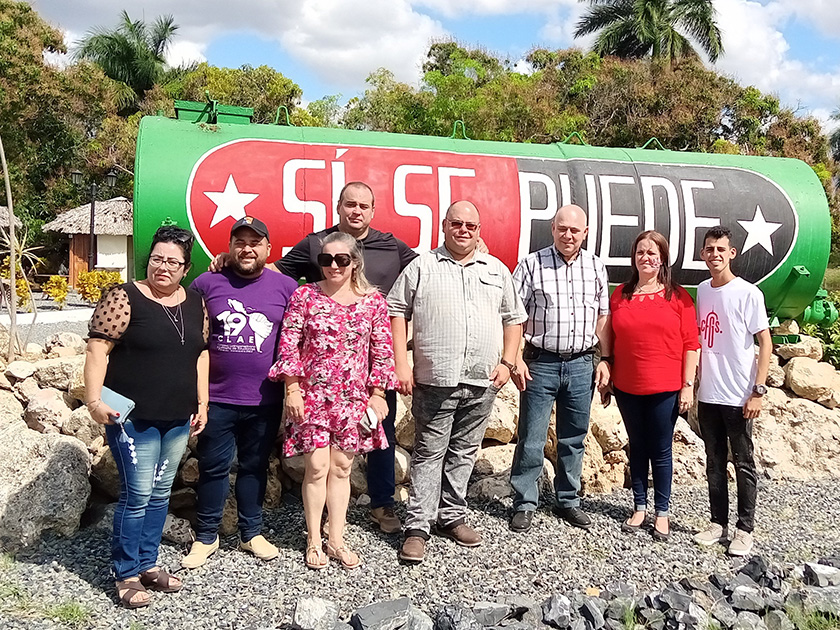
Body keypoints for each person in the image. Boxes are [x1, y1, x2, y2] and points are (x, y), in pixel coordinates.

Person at [213, 181, 416, 534]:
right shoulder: (313, 245)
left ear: (372, 210)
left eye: (363, 205)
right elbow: (271, 272)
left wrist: (479, 246)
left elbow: (426, 272)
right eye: (349, 204)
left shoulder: (392, 247)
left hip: (362, 385)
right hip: (316, 390)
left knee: (377, 442)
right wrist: (232, 259)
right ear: (338, 206)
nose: (356, 210)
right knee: (320, 466)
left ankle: (380, 506)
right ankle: (316, 534)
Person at [388, 200, 527, 563]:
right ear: (445, 226)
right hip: (435, 379)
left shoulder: (496, 270)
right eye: (457, 224)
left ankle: (451, 516)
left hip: (482, 379)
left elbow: (514, 318)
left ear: (479, 230)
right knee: (429, 452)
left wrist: (508, 362)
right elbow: (396, 310)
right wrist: (401, 363)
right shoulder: (422, 266)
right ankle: (417, 526)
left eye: (471, 225)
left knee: (464, 452)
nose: (463, 230)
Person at [83, 225, 209, 609]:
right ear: (148, 260)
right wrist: (92, 402)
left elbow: (201, 353)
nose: (163, 267)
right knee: (136, 496)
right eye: (157, 259)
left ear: (185, 268)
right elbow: (97, 350)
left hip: (176, 417)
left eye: (173, 261)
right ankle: (125, 573)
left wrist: (202, 403)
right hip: (131, 418)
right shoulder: (124, 297)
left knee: (158, 495)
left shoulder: (195, 301)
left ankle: (147, 564)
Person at [268, 231, 397, 569]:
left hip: (353, 400)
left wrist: (378, 394)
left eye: (342, 259)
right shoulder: (304, 296)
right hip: (312, 398)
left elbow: (382, 351)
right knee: (316, 468)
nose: (333, 266)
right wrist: (292, 389)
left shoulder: (374, 302)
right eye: (326, 260)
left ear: (355, 262)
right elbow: (289, 344)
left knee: (341, 468)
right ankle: (313, 540)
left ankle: (336, 538)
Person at [182, 216, 299, 569]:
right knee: (213, 467)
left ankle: (251, 533)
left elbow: (297, 340)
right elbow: (190, 338)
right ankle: (205, 536)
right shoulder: (206, 283)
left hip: (264, 398)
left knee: (255, 466)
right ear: (230, 247)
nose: (247, 249)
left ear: (268, 248)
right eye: (240, 242)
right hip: (216, 397)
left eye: (255, 242)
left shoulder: (286, 287)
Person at [508, 204, 611, 534]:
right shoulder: (531, 265)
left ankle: (568, 500)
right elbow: (512, 313)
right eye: (562, 228)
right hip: (541, 362)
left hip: (582, 363)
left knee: (574, 438)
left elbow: (602, 315)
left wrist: (604, 358)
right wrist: (516, 357)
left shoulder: (596, 267)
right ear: (553, 228)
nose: (568, 235)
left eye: (575, 230)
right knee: (532, 437)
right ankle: (524, 502)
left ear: (585, 233)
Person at [607, 230, 700, 541]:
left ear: (663, 259)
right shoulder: (621, 294)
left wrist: (687, 385)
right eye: (640, 252)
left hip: (665, 387)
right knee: (637, 446)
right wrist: (606, 366)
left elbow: (691, 344)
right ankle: (639, 506)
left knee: (660, 449)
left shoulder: (678, 297)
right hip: (627, 386)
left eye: (652, 252)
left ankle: (662, 512)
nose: (645, 257)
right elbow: (610, 335)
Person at [693, 226, 771, 557]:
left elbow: (764, 342)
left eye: (720, 249)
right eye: (709, 249)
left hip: (739, 395)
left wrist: (758, 390)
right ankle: (717, 523)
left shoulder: (748, 293)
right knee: (713, 461)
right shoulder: (702, 290)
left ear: (732, 253)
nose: (715, 255)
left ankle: (745, 528)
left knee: (743, 462)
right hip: (709, 394)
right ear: (703, 254)